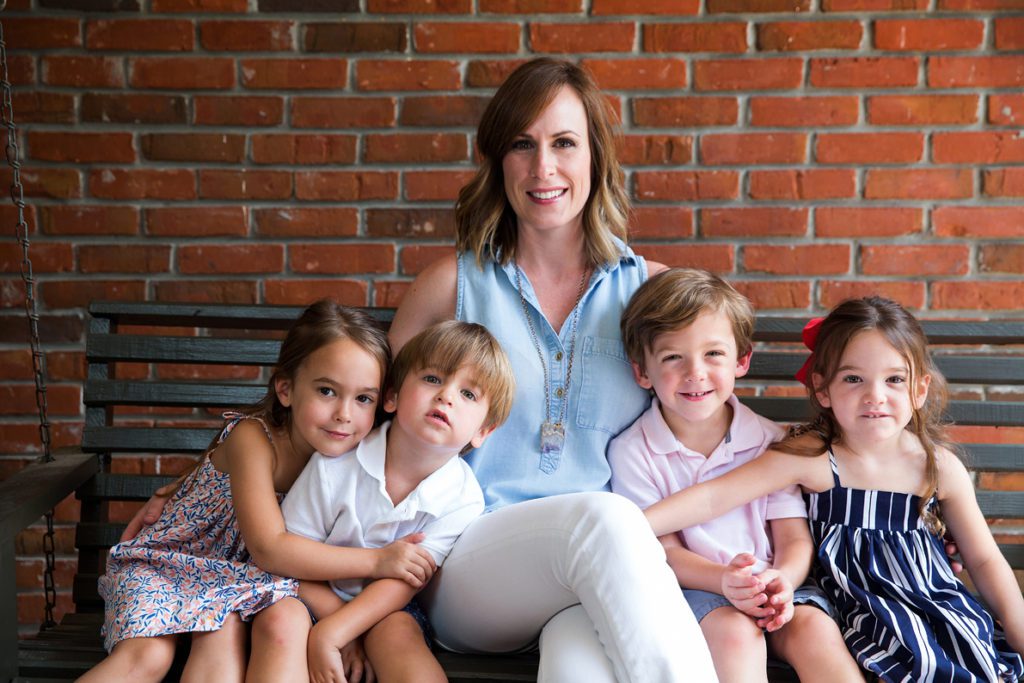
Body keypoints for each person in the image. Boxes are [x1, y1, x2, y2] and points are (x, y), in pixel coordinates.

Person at [388, 57, 717, 682]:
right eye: (522, 145)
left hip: (601, 571)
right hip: (467, 566)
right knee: (607, 516)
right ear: (499, 162)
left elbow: (719, 428)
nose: (544, 169)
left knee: (580, 668)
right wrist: (225, 469)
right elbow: (357, 412)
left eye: (564, 143)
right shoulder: (451, 286)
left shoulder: (650, 294)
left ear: (595, 155)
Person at [645, 296, 1024, 682]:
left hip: (929, 604)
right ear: (823, 388)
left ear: (920, 389)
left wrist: (1017, 627)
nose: (875, 395)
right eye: (853, 378)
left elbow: (983, 560)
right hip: (852, 612)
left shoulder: (936, 467)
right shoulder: (813, 458)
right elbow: (715, 496)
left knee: (957, 660)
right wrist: (635, 523)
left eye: (895, 379)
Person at [84, 300, 437, 683]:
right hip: (171, 569)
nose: (344, 414)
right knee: (148, 656)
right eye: (326, 391)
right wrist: (376, 562)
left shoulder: (358, 456)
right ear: (286, 389)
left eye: (363, 398)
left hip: (240, 587)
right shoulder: (254, 439)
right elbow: (270, 550)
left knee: (222, 634)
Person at [608, 268, 863, 682]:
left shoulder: (771, 441)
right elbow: (663, 552)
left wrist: (782, 578)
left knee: (815, 629)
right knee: (735, 633)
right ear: (642, 372)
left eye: (713, 354)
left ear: (741, 360)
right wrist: (725, 581)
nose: (696, 372)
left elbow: (793, 538)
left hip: (777, 586)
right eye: (673, 357)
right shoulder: (634, 451)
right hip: (695, 591)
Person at [280, 320, 515, 683]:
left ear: (483, 431)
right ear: (391, 396)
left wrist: (336, 632)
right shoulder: (336, 464)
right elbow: (290, 560)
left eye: (468, 394)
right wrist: (335, 628)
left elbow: (406, 580)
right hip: (309, 593)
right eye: (433, 379)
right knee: (284, 622)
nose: (446, 397)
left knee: (399, 635)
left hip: (388, 607)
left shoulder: (463, 496)